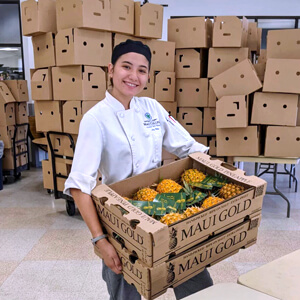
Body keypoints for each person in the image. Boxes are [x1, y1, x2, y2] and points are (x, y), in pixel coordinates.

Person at [64, 39, 213, 300]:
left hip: (164, 207)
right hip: (121, 219)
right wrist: (100, 241)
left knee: (194, 280)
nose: (134, 76)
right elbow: (79, 185)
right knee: (125, 290)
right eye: (126, 67)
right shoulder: (95, 119)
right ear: (110, 70)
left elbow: (189, 148)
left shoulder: (152, 108)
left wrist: (220, 177)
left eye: (142, 70)